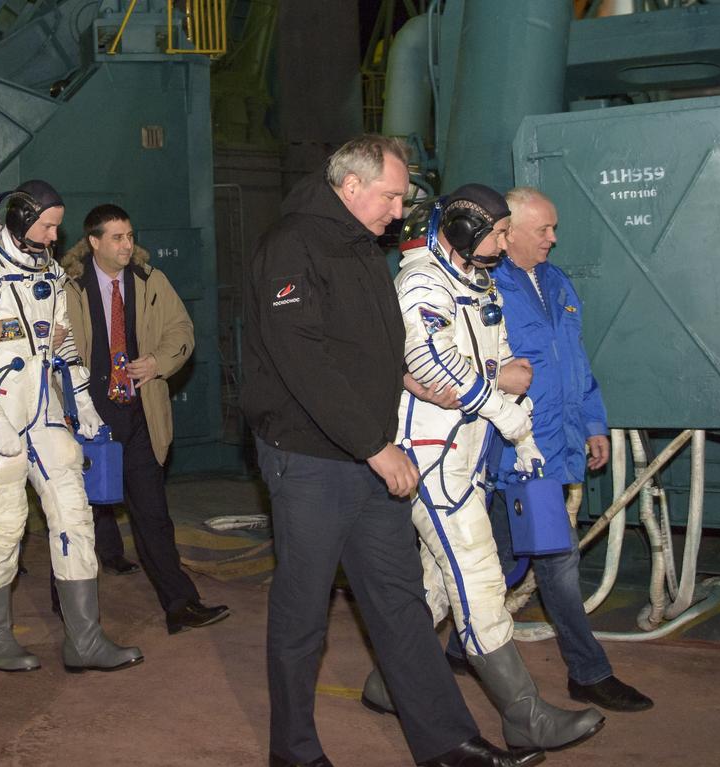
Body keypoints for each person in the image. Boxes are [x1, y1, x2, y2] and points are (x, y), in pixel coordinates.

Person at [242, 135, 537, 767]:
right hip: (313, 458)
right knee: (304, 613)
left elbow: (361, 338)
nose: (400, 209)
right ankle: (293, 751)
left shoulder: (357, 245)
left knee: (400, 603)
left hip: (366, 454)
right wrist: (377, 446)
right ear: (351, 187)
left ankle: (448, 742)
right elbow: (303, 359)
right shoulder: (292, 244)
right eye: (392, 195)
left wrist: (397, 378)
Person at [359, 184, 604, 752]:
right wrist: (511, 416)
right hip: (433, 456)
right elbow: (430, 362)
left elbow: (485, 360)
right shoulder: (422, 281)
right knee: (478, 579)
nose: (503, 240)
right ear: (468, 230)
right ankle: (522, 714)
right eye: (496, 231)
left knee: (439, 585)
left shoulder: (474, 278)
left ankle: (389, 681)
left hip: (467, 452)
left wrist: (505, 402)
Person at [0, 180, 143, 675]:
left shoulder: (52, 272)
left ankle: (84, 639)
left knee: (75, 517)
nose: (55, 235)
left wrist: (85, 406)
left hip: (45, 412)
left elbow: (62, 348)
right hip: (1, 415)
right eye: (47, 225)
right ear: (20, 218)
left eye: (57, 226)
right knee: (5, 526)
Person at [482, 187, 652, 712]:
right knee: (555, 560)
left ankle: (461, 647)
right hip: (519, 452)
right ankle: (588, 671)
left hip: (558, 445)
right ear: (507, 233)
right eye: (544, 230)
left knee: (501, 562)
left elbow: (574, 360)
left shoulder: (557, 283)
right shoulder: (486, 288)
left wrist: (593, 423)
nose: (553, 238)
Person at [61, 204, 229, 634]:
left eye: (130, 236)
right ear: (94, 242)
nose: (127, 245)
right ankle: (71, 615)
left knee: (153, 515)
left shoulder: (151, 281)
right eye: (116, 237)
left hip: (139, 415)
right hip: (86, 420)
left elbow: (182, 330)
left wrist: (157, 362)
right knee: (72, 518)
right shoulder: (67, 287)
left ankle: (180, 605)